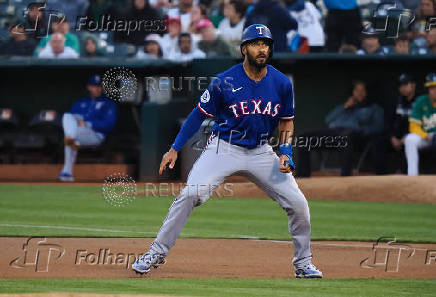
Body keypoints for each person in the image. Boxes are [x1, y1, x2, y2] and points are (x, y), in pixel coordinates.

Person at [132, 24, 323, 279]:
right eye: (256, 43)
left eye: (266, 44)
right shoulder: (224, 81)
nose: (262, 48)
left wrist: (285, 151)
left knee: (299, 204)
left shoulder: (281, 83)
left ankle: (303, 263)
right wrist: (175, 148)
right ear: (244, 49)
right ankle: (155, 253)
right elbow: (197, 115)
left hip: (261, 150)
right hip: (224, 148)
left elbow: (286, 120)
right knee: (191, 194)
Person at [296, 80, 384, 177]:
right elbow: (328, 120)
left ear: (367, 92)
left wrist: (361, 130)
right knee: (304, 138)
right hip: (334, 133)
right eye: (357, 90)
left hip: (356, 136)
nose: (359, 93)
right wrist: (345, 107)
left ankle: (345, 176)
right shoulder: (344, 107)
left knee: (346, 136)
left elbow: (377, 127)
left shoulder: (374, 108)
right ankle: (303, 176)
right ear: (352, 92)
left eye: (362, 90)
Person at [58, 75, 117, 182]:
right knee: (67, 116)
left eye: (99, 86)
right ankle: (67, 173)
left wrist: (88, 124)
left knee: (70, 137)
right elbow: (70, 120)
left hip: (96, 134)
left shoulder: (108, 104)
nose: (97, 89)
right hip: (79, 132)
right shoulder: (80, 103)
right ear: (89, 87)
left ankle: (67, 170)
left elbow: (109, 125)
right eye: (94, 86)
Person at [376, 74, 418, 174]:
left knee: (410, 142)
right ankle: (380, 176)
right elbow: (387, 122)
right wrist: (392, 137)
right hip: (395, 137)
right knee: (378, 141)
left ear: (413, 85)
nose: (403, 88)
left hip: (411, 135)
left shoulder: (419, 102)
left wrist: (405, 138)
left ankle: (406, 174)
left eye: (405, 84)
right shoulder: (395, 101)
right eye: (400, 85)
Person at [404, 73, 436, 176]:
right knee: (409, 139)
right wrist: (425, 135)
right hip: (426, 138)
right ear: (428, 90)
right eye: (432, 88)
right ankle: (413, 177)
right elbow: (413, 126)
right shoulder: (421, 101)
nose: (434, 90)